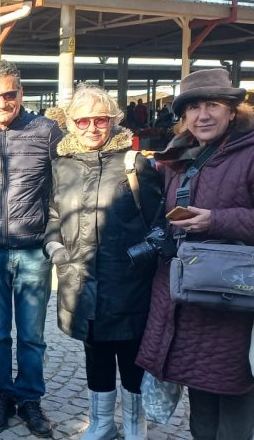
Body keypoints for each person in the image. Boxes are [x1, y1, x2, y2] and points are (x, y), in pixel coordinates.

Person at [137, 68, 254, 440]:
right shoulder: (180, 155)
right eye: (193, 108)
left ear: (232, 110)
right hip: (186, 293)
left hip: (232, 295)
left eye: (212, 105)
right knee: (200, 381)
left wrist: (217, 220)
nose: (203, 115)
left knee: (233, 385)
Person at [43, 84, 163, 440]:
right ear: (71, 124)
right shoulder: (61, 166)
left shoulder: (134, 164)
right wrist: (55, 248)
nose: (92, 127)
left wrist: (138, 257)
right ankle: (101, 423)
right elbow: (53, 213)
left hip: (127, 281)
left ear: (113, 121)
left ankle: (135, 425)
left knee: (131, 354)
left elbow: (160, 222)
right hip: (80, 279)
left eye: (101, 119)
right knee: (95, 353)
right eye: (83, 121)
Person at [0, 59, 63, 437]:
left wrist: (52, 233)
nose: (2, 103)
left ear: (21, 92)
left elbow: (62, 189)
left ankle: (30, 399)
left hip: (33, 250)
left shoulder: (47, 131)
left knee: (31, 335)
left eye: (9, 94)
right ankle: (1, 396)